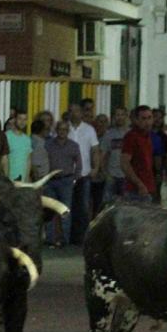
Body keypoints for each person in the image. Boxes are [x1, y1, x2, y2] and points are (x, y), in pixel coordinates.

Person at [43, 119, 80, 246]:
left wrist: (75, 178)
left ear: (68, 131)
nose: (62, 132)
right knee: (49, 210)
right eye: (60, 129)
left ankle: (65, 240)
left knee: (65, 211)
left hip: (66, 181)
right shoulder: (48, 144)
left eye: (65, 129)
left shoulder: (73, 145)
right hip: (50, 181)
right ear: (56, 130)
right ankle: (49, 239)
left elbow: (78, 163)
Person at [68, 102, 101, 240]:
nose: (73, 113)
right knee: (68, 206)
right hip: (68, 174)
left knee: (84, 206)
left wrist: (96, 168)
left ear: (81, 113)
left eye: (76, 110)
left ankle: (82, 236)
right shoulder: (64, 128)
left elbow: (95, 150)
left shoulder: (89, 130)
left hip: (84, 174)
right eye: (71, 110)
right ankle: (68, 236)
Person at [119, 105, 156, 202]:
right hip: (135, 190)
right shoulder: (131, 137)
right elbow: (124, 163)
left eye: (149, 118)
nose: (147, 122)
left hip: (147, 187)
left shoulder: (148, 136)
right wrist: (139, 184)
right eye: (143, 118)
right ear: (136, 120)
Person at [99, 107, 129, 204]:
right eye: (117, 115)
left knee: (127, 205)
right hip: (112, 176)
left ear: (126, 116)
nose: (120, 117)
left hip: (127, 176)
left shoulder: (131, 134)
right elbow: (102, 156)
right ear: (114, 117)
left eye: (122, 115)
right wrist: (105, 173)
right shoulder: (109, 134)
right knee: (107, 205)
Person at [4, 111, 32, 182]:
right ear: (15, 120)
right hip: (8, 180)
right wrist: (6, 178)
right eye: (20, 119)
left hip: (23, 181)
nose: (22, 122)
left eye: (25, 119)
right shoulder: (6, 136)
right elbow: (4, 159)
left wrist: (27, 178)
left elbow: (28, 160)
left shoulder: (27, 139)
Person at [29, 112, 51, 183]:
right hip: (40, 176)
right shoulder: (40, 143)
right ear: (42, 130)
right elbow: (35, 162)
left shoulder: (28, 140)